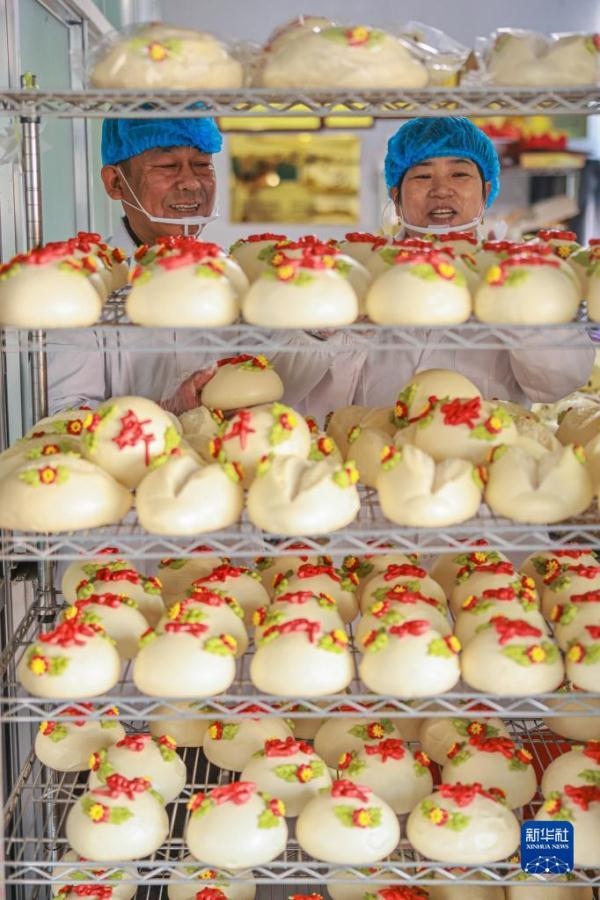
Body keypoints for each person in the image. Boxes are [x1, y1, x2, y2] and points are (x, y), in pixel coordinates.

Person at [50, 116, 594, 422]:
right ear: (396, 194)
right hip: (365, 488)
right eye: (422, 176)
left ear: (487, 189)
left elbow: (556, 383)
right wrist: (324, 328)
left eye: (460, 175)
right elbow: (297, 393)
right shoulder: (348, 275)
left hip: (483, 490)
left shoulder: (521, 275)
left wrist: (520, 310)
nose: (442, 191)